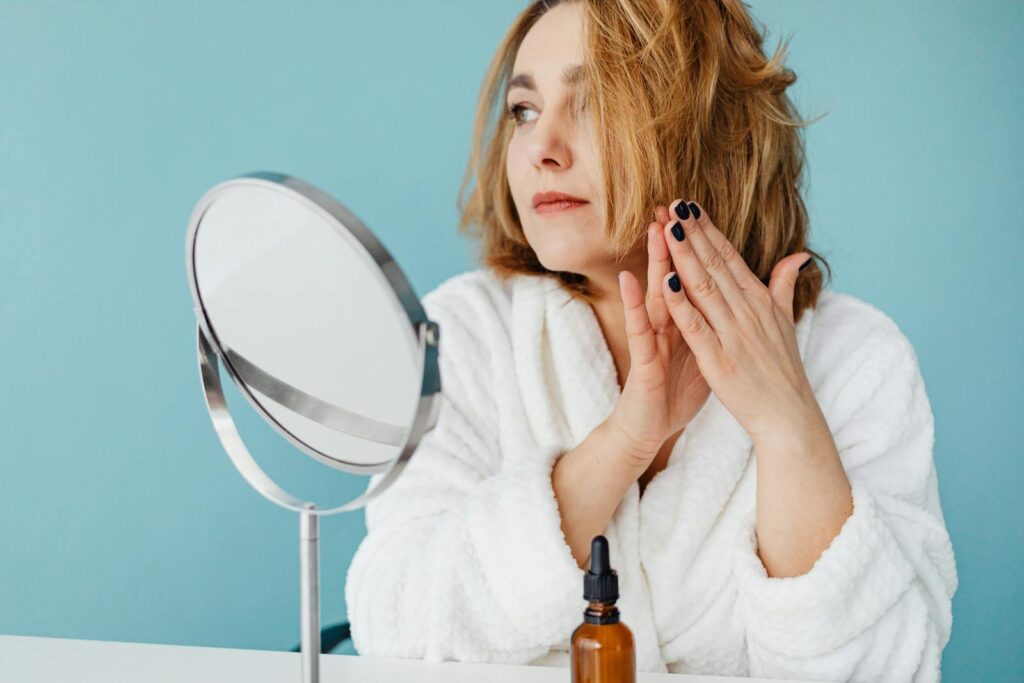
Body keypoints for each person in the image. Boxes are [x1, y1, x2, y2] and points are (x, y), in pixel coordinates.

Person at [345, 1, 958, 679]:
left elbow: (890, 666)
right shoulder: (462, 336)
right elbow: (393, 624)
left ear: (707, 128)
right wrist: (623, 440)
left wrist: (787, 424)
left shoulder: (854, 358)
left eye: (594, 103)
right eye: (523, 110)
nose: (541, 146)